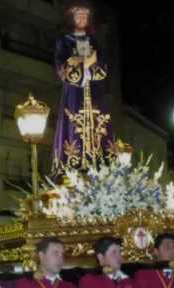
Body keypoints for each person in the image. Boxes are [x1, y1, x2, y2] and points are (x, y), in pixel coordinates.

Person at [52, 3, 111, 171]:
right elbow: (61, 67)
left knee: (98, 124)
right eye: (78, 15)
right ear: (72, 18)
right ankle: (73, 163)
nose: (82, 18)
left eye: (85, 16)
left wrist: (91, 63)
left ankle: (98, 162)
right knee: (73, 123)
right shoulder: (64, 41)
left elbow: (102, 68)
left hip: (93, 91)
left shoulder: (94, 42)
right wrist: (80, 61)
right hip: (74, 93)